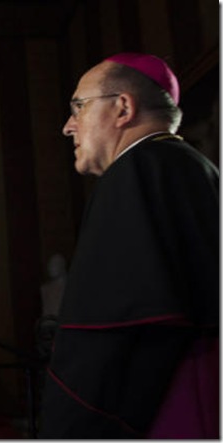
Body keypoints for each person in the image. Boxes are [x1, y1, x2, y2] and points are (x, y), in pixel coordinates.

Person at [39, 53, 219, 438]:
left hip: (168, 405)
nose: (68, 126)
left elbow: (118, 333)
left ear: (123, 107)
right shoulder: (196, 167)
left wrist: (69, 423)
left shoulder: (137, 170)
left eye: (79, 107)